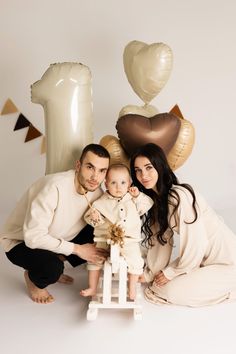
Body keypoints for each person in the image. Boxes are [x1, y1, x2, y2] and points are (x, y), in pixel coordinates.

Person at [0, 144, 110, 304]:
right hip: (20, 242)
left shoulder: (97, 193)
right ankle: (34, 279)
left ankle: (55, 258)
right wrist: (78, 250)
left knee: (99, 235)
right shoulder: (54, 187)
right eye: (90, 167)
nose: (95, 177)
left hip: (54, 238)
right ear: (78, 166)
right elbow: (33, 238)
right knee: (52, 269)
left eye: (102, 171)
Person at [130, 142, 236, 307]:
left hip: (228, 263)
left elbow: (197, 242)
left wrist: (172, 272)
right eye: (138, 170)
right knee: (157, 286)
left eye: (149, 167)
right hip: (202, 261)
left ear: (160, 166)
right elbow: (160, 243)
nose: (143, 175)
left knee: (168, 291)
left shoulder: (179, 196)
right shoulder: (156, 203)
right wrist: (151, 274)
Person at [81, 163, 153, 300]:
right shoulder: (100, 202)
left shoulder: (133, 199)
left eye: (123, 182)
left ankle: (131, 289)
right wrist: (96, 218)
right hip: (104, 240)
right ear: (106, 184)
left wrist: (138, 196)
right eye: (113, 182)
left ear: (130, 183)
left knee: (136, 261)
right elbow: (89, 217)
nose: (118, 187)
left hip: (128, 241)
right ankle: (92, 287)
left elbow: (147, 204)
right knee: (94, 259)